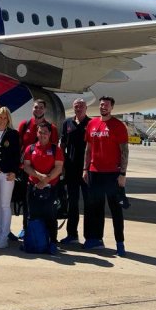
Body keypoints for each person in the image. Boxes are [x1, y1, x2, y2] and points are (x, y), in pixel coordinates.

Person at [82, 96, 130, 256]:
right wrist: (85, 168)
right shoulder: (92, 124)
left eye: (107, 105)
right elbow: (88, 149)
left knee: (116, 209)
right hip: (95, 172)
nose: (103, 107)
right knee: (95, 208)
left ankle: (120, 242)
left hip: (112, 174)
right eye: (102, 104)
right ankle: (96, 239)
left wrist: (122, 173)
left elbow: (124, 151)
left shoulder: (118, 126)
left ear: (112, 108)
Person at [22, 122, 64, 250]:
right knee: (32, 215)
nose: (42, 135)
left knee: (50, 216)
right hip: (33, 187)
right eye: (40, 132)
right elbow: (26, 166)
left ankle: (53, 243)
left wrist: (46, 181)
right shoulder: (30, 148)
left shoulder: (56, 149)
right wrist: (39, 176)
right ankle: (33, 242)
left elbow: (58, 168)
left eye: (45, 132)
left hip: (50, 188)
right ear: (37, 133)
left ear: (50, 134)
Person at [59, 98, 91, 246]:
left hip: (87, 169)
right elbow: (62, 144)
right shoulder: (67, 123)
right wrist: (62, 164)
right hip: (71, 169)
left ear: (86, 108)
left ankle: (90, 237)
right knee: (72, 203)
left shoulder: (91, 123)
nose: (79, 108)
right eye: (76, 106)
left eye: (81, 106)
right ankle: (72, 235)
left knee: (89, 203)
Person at [0, 106, 21, 249]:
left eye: (4, 118)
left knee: (5, 205)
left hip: (6, 173)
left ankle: (4, 236)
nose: (1, 120)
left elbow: (17, 155)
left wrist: (14, 171)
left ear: (8, 119)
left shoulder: (13, 134)